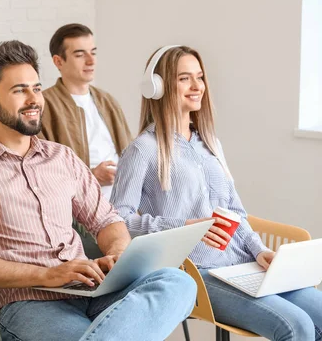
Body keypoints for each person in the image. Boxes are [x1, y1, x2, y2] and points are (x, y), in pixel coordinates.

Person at [0, 40, 196, 341]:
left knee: (178, 283)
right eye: (19, 90)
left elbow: (106, 220)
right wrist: (47, 274)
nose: (34, 99)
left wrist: (119, 254)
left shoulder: (62, 157)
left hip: (91, 289)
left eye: (36, 88)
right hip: (25, 303)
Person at [111, 45, 322, 341]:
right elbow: (118, 221)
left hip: (243, 264)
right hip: (197, 272)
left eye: (200, 77)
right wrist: (183, 228)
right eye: (185, 78)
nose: (197, 86)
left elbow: (235, 210)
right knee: (296, 326)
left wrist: (259, 250)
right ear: (157, 87)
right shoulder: (142, 150)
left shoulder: (210, 143)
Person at [40, 23, 132, 200]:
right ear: (58, 61)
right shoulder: (44, 106)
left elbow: (130, 152)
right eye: (80, 54)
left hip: (125, 204)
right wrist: (92, 176)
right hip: (81, 209)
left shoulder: (107, 101)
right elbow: (40, 171)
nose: (91, 61)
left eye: (93, 52)